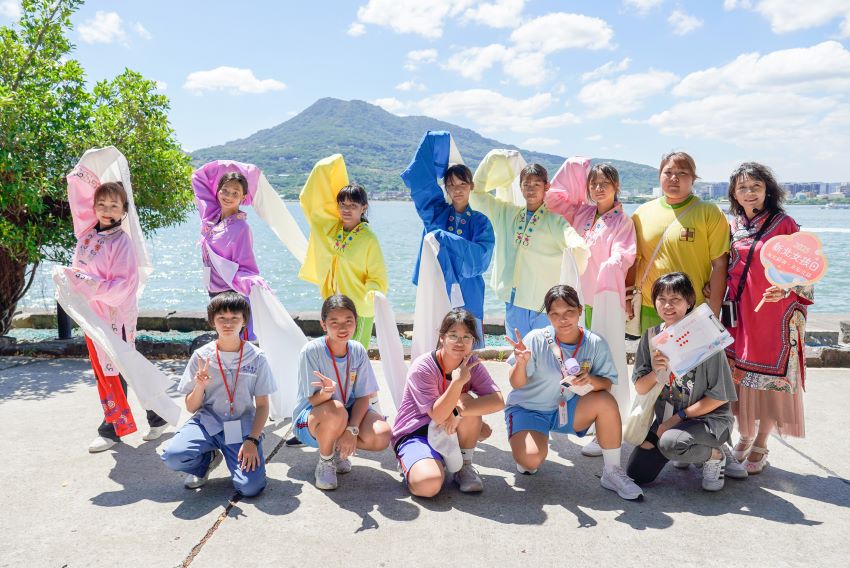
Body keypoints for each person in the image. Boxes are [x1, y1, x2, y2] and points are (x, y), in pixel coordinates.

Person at [504, 285, 643, 501]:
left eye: (569, 312)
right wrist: (520, 364)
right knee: (530, 462)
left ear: (580, 310)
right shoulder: (536, 339)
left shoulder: (595, 343)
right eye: (555, 314)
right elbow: (517, 384)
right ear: (548, 316)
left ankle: (612, 471)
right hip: (529, 409)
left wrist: (592, 380)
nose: (563, 319)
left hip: (567, 408)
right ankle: (528, 448)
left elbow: (607, 384)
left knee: (605, 401)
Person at [723, 163, 813, 474]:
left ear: (767, 190)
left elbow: (807, 271)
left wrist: (788, 290)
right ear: (734, 193)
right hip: (737, 314)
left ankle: (761, 443)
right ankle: (744, 436)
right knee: (740, 380)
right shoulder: (732, 224)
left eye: (755, 186)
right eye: (742, 187)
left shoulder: (783, 223)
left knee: (767, 384)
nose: (749, 192)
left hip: (772, 313)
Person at [66, 178, 167, 452]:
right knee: (119, 369)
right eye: (101, 204)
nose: (107, 209)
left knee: (114, 369)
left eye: (114, 204)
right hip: (93, 314)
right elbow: (79, 272)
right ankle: (158, 415)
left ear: (124, 210)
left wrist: (88, 285)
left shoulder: (122, 242)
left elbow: (123, 286)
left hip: (114, 315)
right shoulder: (87, 236)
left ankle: (111, 428)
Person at [546, 160, 637, 457]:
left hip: (602, 299)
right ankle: (575, 415)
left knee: (603, 360)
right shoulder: (582, 212)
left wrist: (610, 267)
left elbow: (625, 253)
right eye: (593, 184)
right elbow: (553, 199)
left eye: (604, 184)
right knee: (576, 360)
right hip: (578, 300)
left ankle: (606, 428)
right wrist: (575, 166)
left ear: (616, 187)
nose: (598, 189)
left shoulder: (622, 221)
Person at [625, 273, 746, 492]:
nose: (668, 305)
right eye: (661, 299)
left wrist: (676, 419)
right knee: (637, 473)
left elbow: (718, 398)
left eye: (676, 300)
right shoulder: (651, 337)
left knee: (670, 444)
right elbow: (641, 388)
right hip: (667, 416)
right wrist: (656, 371)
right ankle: (686, 445)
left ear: (690, 302)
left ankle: (715, 453)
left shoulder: (706, 339)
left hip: (707, 418)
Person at [161, 293, 275, 497]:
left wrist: (253, 440)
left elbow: (263, 405)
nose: (228, 323)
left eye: (235, 318)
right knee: (173, 456)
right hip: (208, 423)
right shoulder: (202, 356)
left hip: (241, 428)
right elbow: (191, 407)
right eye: (221, 318)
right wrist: (199, 386)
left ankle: (241, 454)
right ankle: (206, 461)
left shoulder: (257, 358)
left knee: (250, 489)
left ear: (244, 321)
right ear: (212, 321)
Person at [470, 159, 588, 339]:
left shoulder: (555, 221)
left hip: (542, 304)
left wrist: (577, 250)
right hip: (514, 299)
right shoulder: (507, 213)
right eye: (526, 184)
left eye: (536, 184)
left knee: (544, 354)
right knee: (518, 354)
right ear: (520, 187)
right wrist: (493, 159)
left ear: (546, 187)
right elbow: (476, 194)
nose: (531, 189)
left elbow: (575, 242)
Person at [392, 309, 504, 497]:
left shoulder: (471, 363)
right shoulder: (423, 367)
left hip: (448, 428)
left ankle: (464, 466)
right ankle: (416, 464)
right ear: (442, 338)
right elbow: (437, 415)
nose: (460, 343)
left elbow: (498, 401)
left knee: (468, 405)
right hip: (417, 432)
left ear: (473, 341)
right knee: (428, 486)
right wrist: (458, 382)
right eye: (453, 336)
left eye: (466, 337)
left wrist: (459, 412)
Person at [402, 131, 495, 348]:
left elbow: (481, 259)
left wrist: (446, 239)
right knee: (437, 341)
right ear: (446, 188)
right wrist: (435, 140)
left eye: (462, 184)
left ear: (471, 186)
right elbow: (419, 179)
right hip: (438, 285)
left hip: (468, 288)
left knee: (467, 344)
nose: (457, 189)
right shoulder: (435, 213)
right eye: (451, 185)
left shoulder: (481, 222)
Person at [292, 294, 391, 490]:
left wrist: (352, 429)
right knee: (336, 409)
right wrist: (327, 393)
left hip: (345, 414)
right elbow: (312, 399)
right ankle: (326, 460)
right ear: (323, 324)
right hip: (313, 415)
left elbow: (364, 396)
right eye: (334, 322)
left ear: (356, 321)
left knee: (382, 435)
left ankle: (337, 444)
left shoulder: (358, 350)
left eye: (348, 321)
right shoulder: (311, 351)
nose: (343, 328)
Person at [628, 152, 729, 333]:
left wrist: (714, 312)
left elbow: (720, 264)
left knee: (695, 361)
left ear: (693, 179)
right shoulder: (641, 213)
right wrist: (627, 299)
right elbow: (632, 261)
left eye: (682, 173)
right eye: (668, 173)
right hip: (651, 306)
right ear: (659, 176)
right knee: (653, 360)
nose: (674, 178)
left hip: (692, 308)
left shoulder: (709, 212)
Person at [299, 155, 389, 349]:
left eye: (353, 206)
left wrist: (370, 294)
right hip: (334, 305)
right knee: (337, 353)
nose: (347, 210)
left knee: (356, 355)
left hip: (359, 309)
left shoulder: (368, 238)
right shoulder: (332, 230)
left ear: (363, 208)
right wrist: (332, 163)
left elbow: (378, 276)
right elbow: (311, 203)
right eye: (343, 205)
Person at [193, 164, 267, 340]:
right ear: (217, 191)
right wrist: (232, 167)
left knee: (233, 346)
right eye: (225, 190)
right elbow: (198, 178)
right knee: (223, 346)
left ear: (243, 198)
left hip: (231, 296)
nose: (229, 196)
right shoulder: (211, 215)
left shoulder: (241, 228)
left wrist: (252, 283)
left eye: (235, 193)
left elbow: (247, 268)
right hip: (214, 292)